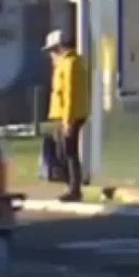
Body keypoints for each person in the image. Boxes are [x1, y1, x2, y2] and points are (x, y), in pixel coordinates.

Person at [45, 29, 90, 202]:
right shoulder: (66, 63)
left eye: (52, 50)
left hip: (71, 114)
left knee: (69, 151)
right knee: (63, 150)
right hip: (65, 113)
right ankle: (70, 185)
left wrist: (68, 120)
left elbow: (69, 93)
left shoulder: (70, 63)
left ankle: (74, 188)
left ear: (58, 47)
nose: (51, 54)